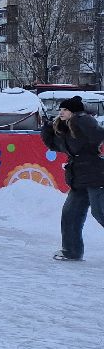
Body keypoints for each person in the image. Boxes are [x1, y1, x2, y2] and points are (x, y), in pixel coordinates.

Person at [41, 96, 104, 261]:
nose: (61, 113)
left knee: (100, 212)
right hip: (79, 178)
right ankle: (71, 251)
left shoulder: (84, 122)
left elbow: (98, 135)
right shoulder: (67, 131)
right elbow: (56, 145)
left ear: (75, 112)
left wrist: (80, 119)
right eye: (60, 110)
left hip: (96, 176)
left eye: (66, 110)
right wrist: (47, 130)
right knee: (70, 214)